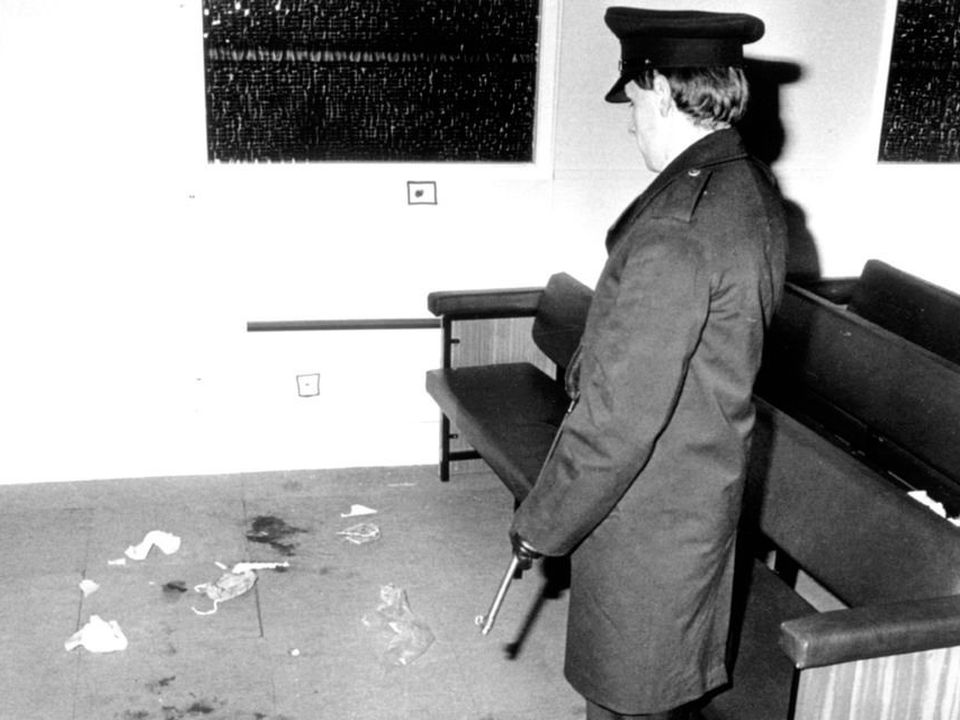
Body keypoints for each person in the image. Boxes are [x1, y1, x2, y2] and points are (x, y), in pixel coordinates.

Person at [509, 7, 788, 720]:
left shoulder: (678, 229)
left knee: (629, 693)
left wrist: (543, 520)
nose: (630, 120)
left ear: (661, 89)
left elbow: (620, 418)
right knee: (655, 685)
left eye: (632, 101)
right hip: (700, 482)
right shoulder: (743, 185)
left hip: (648, 509)